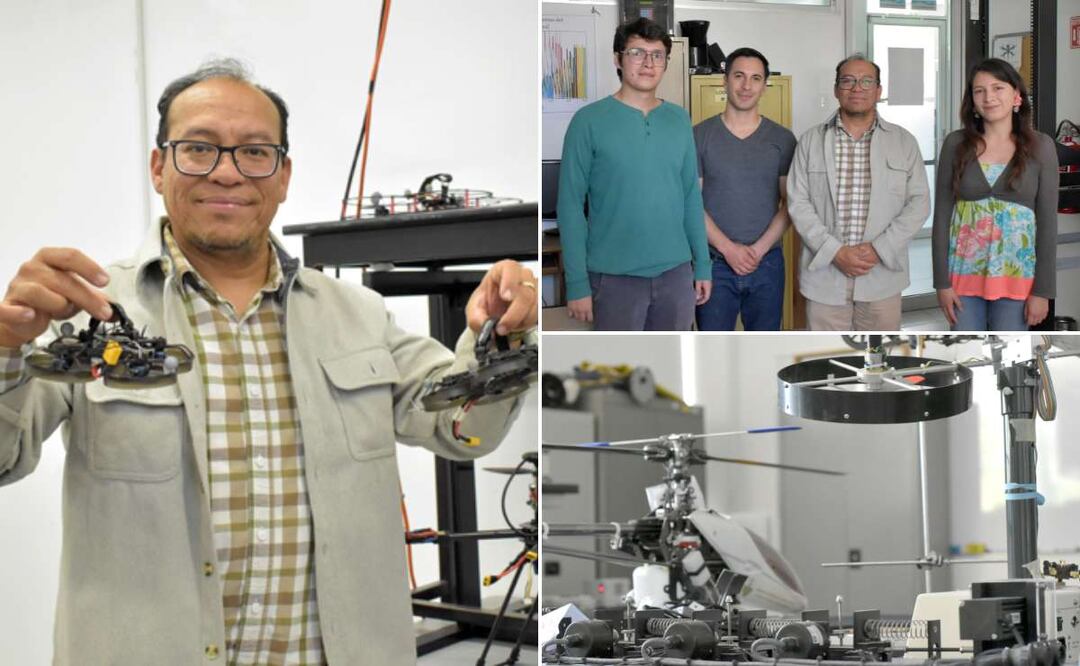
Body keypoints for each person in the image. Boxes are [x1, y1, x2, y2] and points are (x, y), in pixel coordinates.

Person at [0, 61, 537, 665]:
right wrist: (3, 348)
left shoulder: (358, 315)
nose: (227, 171)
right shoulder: (86, 312)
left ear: (283, 175)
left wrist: (502, 339)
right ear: (159, 167)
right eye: (198, 149)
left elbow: (461, 429)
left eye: (254, 152)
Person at [557, 17, 711, 331]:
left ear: (666, 63)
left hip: (676, 275)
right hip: (613, 280)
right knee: (619, 373)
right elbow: (570, 206)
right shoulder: (588, 121)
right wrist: (576, 283)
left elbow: (690, 198)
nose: (648, 63)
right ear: (618, 59)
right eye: (637, 53)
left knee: (670, 369)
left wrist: (703, 265)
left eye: (657, 55)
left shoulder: (679, 119)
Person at [787, 54, 930, 330]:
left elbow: (919, 203)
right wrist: (835, 251)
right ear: (836, 89)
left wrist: (879, 250)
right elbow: (798, 202)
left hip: (882, 276)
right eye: (848, 81)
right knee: (828, 358)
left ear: (878, 91)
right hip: (824, 277)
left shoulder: (903, 142)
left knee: (880, 357)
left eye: (866, 81)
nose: (857, 88)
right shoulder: (811, 141)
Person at [932, 58, 1058, 330]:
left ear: (1016, 96)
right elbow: (941, 217)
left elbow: (1048, 223)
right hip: (962, 277)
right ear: (972, 100)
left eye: (997, 88)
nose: (988, 97)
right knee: (966, 350)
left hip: (1018, 278)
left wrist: (1043, 291)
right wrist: (941, 282)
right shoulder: (956, 144)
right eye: (979, 91)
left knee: (1010, 355)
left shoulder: (1041, 146)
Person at [693, 47, 796, 330]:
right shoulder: (699, 136)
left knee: (762, 349)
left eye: (755, 78)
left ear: (765, 86)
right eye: (738, 76)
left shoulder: (783, 139)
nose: (746, 86)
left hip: (767, 264)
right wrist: (729, 250)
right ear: (724, 80)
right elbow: (692, 204)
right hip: (714, 264)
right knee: (712, 352)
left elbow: (791, 205)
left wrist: (757, 251)